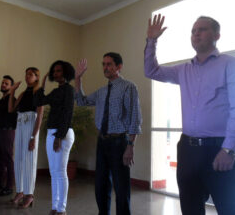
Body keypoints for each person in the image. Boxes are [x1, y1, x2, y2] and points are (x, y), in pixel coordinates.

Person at [144, 14, 235, 215]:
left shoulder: (233, 65)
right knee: (190, 208)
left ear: (217, 35)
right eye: (193, 31)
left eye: (201, 29)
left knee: (229, 209)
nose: (195, 34)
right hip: (188, 150)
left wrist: (229, 150)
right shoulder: (183, 70)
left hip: (219, 150)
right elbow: (151, 71)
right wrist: (152, 41)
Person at [75, 53, 142, 215]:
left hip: (119, 142)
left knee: (121, 187)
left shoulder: (128, 87)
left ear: (119, 67)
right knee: (101, 185)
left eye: (109, 64)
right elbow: (82, 102)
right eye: (103, 64)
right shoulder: (101, 91)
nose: (105, 68)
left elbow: (135, 118)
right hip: (102, 142)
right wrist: (78, 79)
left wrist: (130, 146)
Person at [34, 60, 75, 215]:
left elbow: (67, 114)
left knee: (60, 171)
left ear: (65, 72)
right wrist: (42, 85)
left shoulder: (69, 91)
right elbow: (38, 101)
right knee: (53, 172)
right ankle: (54, 207)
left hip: (62, 134)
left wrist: (59, 136)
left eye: (59, 71)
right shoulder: (56, 91)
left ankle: (62, 208)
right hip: (52, 133)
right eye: (54, 71)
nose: (56, 73)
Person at [8, 67, 44, 208]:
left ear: (36, 77)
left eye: (31, 74)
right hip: (20, 123)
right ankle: (20, 191)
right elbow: (11, 109)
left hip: (31, 124)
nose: (27, 76)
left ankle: (30, 194)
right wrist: (13, 92)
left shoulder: (39, 93)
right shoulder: (23, 93)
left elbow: (40, 115)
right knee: (18, 158)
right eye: (26, 74)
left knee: (29, 160)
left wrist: (33, 136)